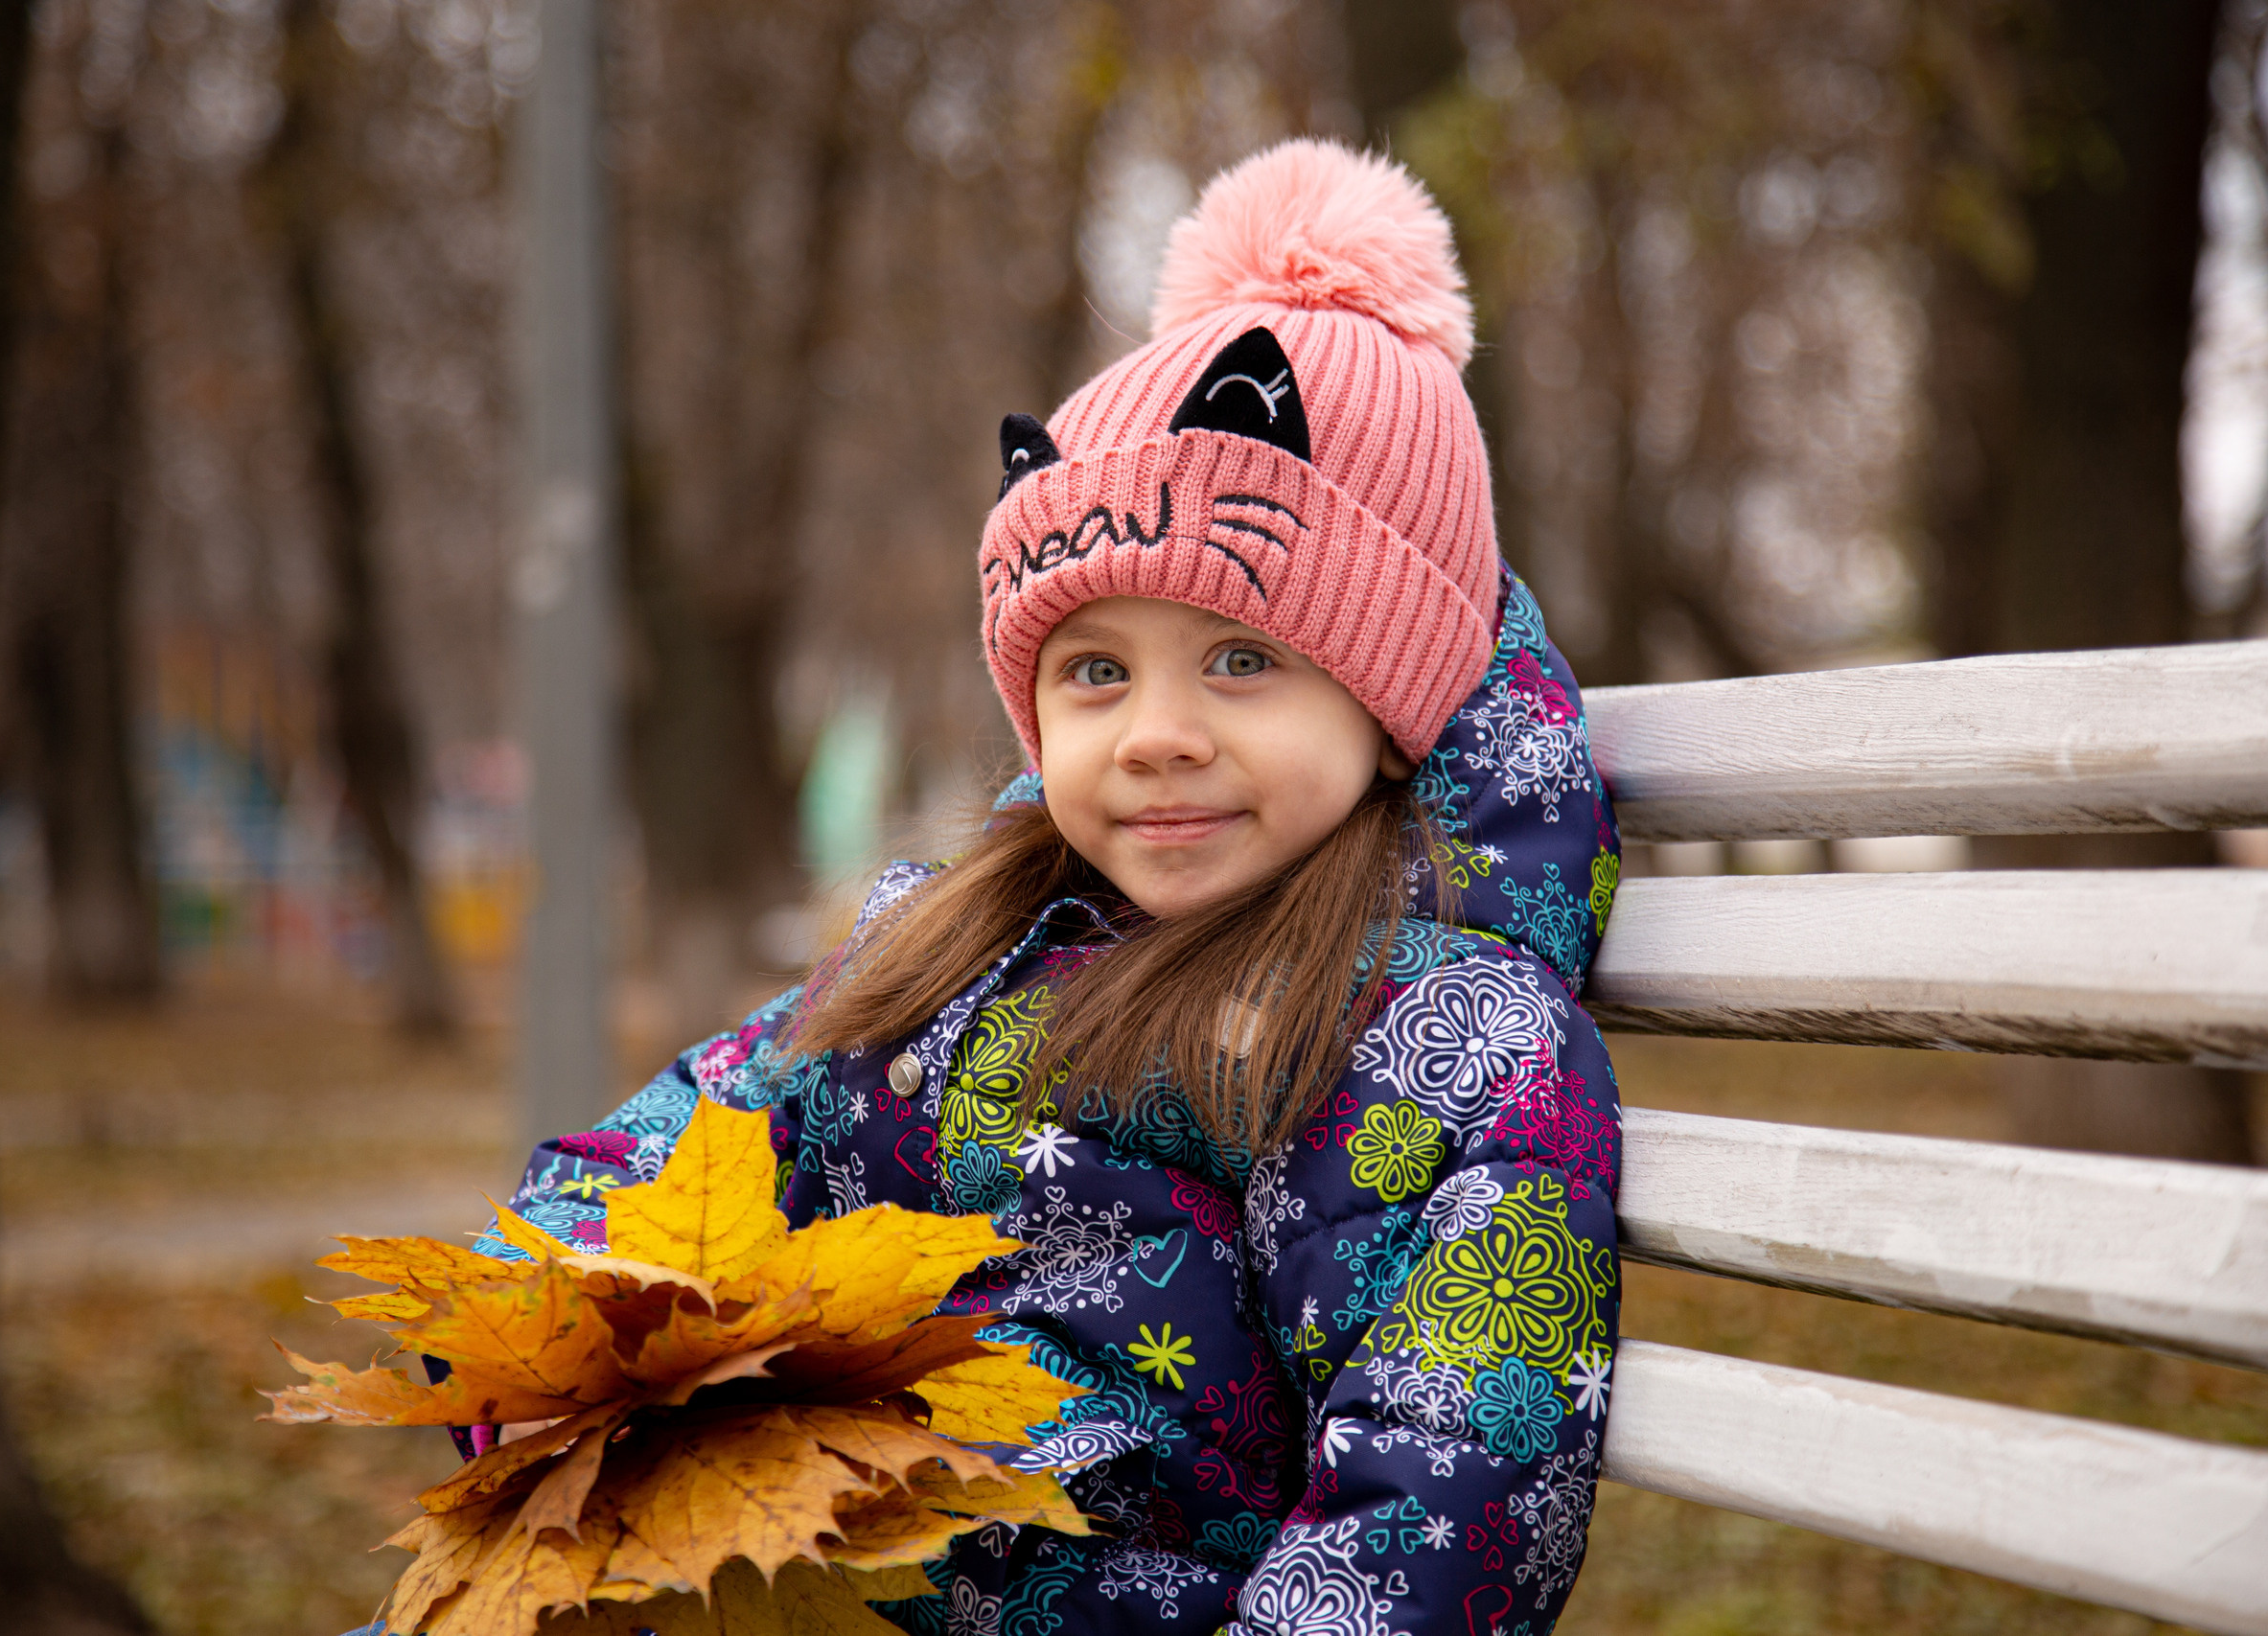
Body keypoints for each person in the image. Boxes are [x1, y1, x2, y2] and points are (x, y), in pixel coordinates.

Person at [471, 139, 1621, 1636]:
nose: (1154, 735)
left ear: (1389, 690)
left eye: (1241, 659)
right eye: (1094, 672)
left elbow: (1444, 1507)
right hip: (800, 1570)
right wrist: (533, 1344)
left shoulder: (1453, 1044)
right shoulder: (956, 951)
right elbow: (695, 1139)